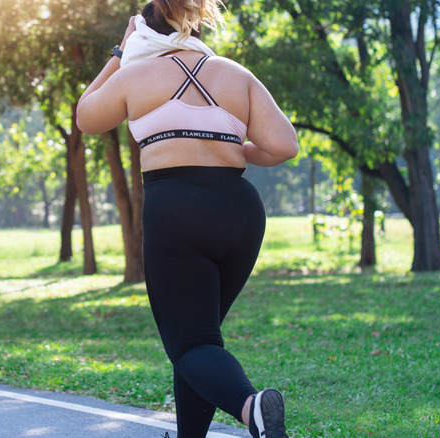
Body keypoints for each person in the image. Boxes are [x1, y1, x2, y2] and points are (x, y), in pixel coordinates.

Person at [76, 1, 298, 437]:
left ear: (143, 32)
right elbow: (284, 145)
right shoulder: (237, 74)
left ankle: (250, 407)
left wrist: (119, 52)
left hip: (177, 209)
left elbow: (86, 116)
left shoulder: (134, 76)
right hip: (240, 211)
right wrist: (231, 148)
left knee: (192, 342)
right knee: (199, 337)